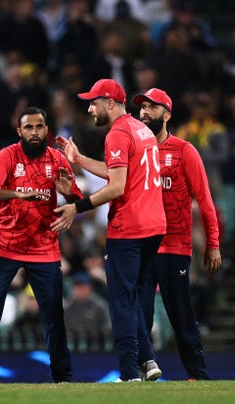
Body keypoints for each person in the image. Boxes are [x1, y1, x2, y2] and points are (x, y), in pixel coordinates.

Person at [0, 106, 82, 384]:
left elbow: (77, 199)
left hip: (44, 247)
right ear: (19, 131)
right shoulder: (8, 155)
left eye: (39, 127)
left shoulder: (58, 159)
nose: (35, 132)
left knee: (53, 314)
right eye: (29, 127)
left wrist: (69, 194)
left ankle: (63, 377)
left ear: (46, 130)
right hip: (6, 245)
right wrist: (17, 194)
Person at [53, 79, 166, 382]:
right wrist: (78, 160)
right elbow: (117, 169)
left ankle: (129, 373)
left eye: (94, 102)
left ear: (111, 103)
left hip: (129, 228)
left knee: (120, 301)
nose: (90, 109)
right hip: (154, 226)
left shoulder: (116, 134)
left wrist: (78, 207)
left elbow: (116, 186)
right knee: (133, 297)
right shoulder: (142, 130)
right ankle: (149, 360)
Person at [133, 88, 222, 380]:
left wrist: (213, 243)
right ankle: (141, 370)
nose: (144, 112)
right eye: (142, 107)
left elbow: (205, 201)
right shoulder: (135, 151)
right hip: (143, 247)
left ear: (167, 114)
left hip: (175, 247)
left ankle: (198, 374)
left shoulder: (184, 151)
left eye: (152, 108)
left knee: (181, 314)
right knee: (139, 315)